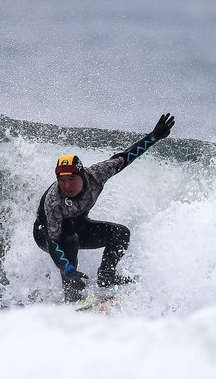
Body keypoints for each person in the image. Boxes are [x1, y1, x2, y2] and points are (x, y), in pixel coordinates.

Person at [33, 114, 175, 302]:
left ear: (82, 175)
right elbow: (54, 242)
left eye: (71, 179)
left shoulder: (97, 174)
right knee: (69, 239)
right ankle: (71, 296)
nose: (66, 186)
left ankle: (106, 277)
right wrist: (69, 271)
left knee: (120, 233)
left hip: (78, 225)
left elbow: (126, 157)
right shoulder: (53, 201)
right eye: (62, 181)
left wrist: (154, 136)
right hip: (48, 236)